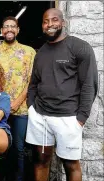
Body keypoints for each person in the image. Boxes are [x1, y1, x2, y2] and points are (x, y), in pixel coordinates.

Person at [26, 8, 98, 181]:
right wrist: (31, 107)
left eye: (54, 20)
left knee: (71, 164)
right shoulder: (41, 52)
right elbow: (34, 83)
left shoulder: (79, 47)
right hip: (40, 117)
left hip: (68, 118)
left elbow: (90, 83)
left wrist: (81, 117)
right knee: (41, 160)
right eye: (45, 21)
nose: (50, 24)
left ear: (63, 22)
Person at [0, 16, 36, 181]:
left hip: (20, 109)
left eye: (13, 26)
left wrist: (19, 100)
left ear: (18, 30)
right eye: (6, 26)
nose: (9, 29)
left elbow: (32, 80)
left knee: (19, 148)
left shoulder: (29, 52)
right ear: (1, 30)